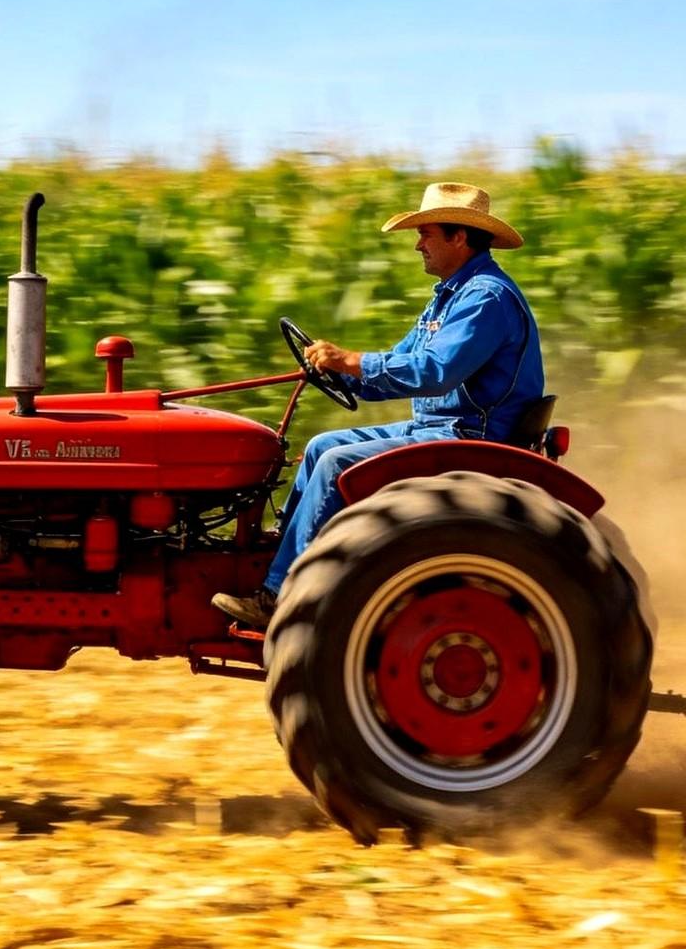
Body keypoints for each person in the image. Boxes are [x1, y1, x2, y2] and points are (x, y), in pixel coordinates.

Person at [212, 181, 545, 629]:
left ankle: (280, 596)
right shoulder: (450, 296)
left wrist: (351, 360)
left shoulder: (486, 298)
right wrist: (344, 373)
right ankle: (277, 556)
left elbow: (435, 372)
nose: (418, 245)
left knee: (335, 464)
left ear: (459, 237)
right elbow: (403, 361)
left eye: (426, 233)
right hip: (437, 427)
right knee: (320, 446)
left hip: (469, 435)